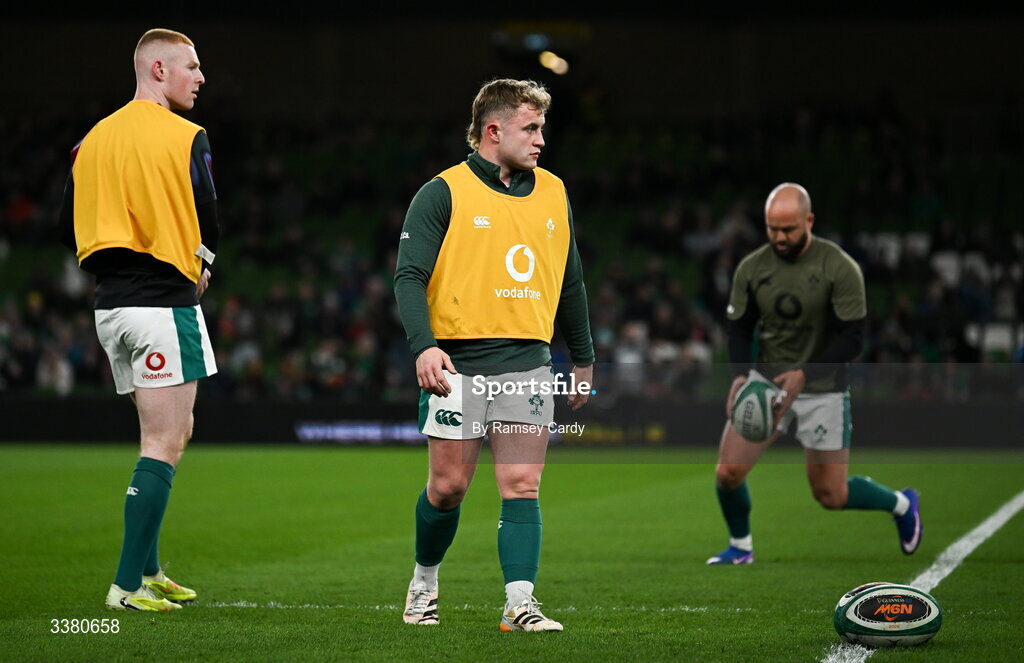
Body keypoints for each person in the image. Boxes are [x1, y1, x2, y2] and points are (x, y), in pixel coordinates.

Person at [394, 78, 595, 631]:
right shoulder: (442, 192)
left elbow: (570, 278)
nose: (540, 140)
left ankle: (520, 604)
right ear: (493, 130)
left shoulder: (554, 191)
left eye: (541, 129)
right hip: (455, 366)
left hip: (528, 361)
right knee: (448, 487)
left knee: (522, 484)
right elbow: (409, 277)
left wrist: (582, 357)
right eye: (530, 129)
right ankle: (424, 582)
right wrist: (425, 347)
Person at [58, 28, 219, 610]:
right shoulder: (185, 135)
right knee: (164, 441)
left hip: (112, 308)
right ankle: (125, 588)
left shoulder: (91, 140)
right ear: (157, 69)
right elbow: (209, 214)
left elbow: (65, 221)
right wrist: (202, 263)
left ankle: (149, 571)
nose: (200, 77)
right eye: (191, 66)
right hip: (162, 305)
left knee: (170, 434)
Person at [706, 183, 921, 565]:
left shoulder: (838, 267)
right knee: (728, 473)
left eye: (788, 229)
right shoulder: (753, 268)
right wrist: (740, 375)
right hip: (768, 384)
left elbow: (854, 338)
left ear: (809, 221)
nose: (779, 237)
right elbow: (739, 328)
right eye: (772, 228)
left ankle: (902, 504)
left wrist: (805, 373)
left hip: (823, 387)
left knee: (830, 496)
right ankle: (741, 547)